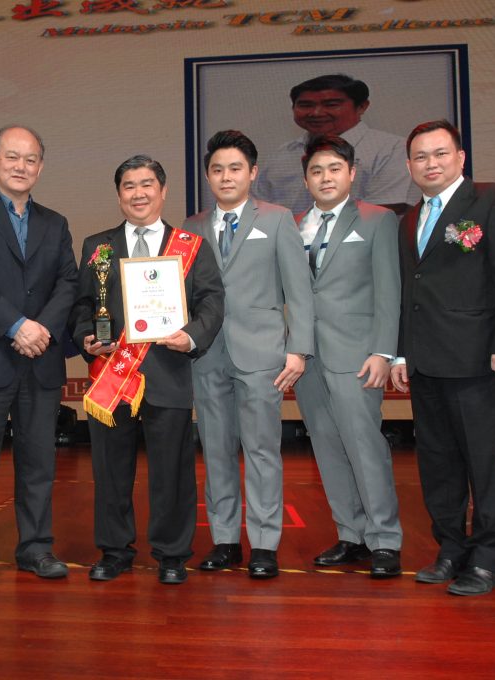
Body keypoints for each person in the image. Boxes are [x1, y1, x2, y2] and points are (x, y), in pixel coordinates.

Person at [391, 120, 495, 596]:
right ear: (409, 165)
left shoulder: (493, 200)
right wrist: (402, 353)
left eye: (440, 153)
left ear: (460, 157)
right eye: (420, 157)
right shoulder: (409, 219)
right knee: (437, 462)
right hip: (425, 361)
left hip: (476, 358)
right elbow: (409, 291)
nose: (430, 164)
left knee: (483, 461)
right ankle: (451, 548)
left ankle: (490, 556)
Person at [71, 154, 224, 585]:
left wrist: (190, 336)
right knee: (110, 471)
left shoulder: (190, 245)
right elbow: (83, 305)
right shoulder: (97, 246)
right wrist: (86, 336)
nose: (138, 194)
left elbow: (212, 301)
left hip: (168, 372)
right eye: (129, 186)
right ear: (119, 194)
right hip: (111, 375)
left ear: (163, 190)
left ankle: (172, 554)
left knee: (172, 473)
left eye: (146, 185)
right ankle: (114, 550)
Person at [0, 125, 78, 590]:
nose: (21, 166)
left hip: (40, 359)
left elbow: (68, 282)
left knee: (39, 462)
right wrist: (16, 325)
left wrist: (41, 329)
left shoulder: (55, 223)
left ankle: (37, 548)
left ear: (40, 166)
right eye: (12, 156)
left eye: (31, 159)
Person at [182, 132, 312, 580]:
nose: (226, 177)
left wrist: (299, 348)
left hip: (261, 354)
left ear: (253, 173)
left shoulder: (277, 219)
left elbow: (299, 289)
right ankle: (224, 540)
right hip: (206, 355)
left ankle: (264, 544)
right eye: (217, 169)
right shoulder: (191, 227)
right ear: (207, 176)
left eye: (235, 168)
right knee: (216, 451)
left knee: (261, 451)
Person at [292, 134, 403, 578]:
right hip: (306, 358)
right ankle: (351, 535)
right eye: (316, 171)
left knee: (364, 445)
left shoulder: (378, 220)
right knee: (326, 446)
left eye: (335, 169)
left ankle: (385, 540)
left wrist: (384, 351)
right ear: (305, 179)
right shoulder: (293, 225)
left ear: (352, 173)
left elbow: (390, 290)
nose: (325, 178)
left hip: (357, 355)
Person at [252, 74, 418, 214]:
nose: (316, 113)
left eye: (331, 105)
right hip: (288, 242)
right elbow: (258, 209)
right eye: (305, 105)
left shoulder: (392, 149)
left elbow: (388, 207)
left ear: (362, 107)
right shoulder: (283, 154)